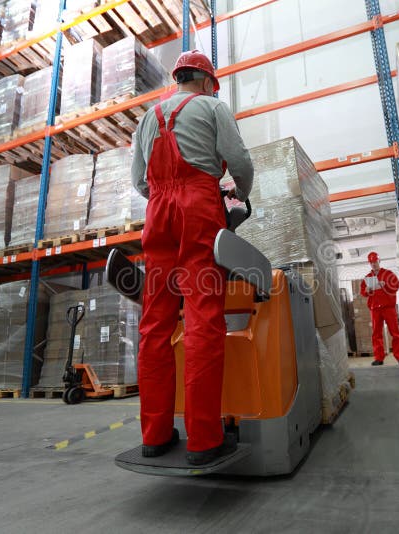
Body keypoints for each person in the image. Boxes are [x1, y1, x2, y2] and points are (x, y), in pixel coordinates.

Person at [131, 50, 254, 465]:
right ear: (205, 82)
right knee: (202, 317)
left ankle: (155, 435)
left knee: (155, 323)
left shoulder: (148, 119)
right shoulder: (213, 107)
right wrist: (241, 192)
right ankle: (203, 439)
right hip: (198, 206)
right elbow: (239, 162)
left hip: (159, 214)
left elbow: (138, 181)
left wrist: (163, 197)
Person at [360, 252, 399, 366]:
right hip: (375, 309)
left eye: (375, 262)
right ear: (369, 264)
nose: (374, 264)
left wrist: (385, 284)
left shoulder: (388, 274)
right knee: (376, 334)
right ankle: (379, 358)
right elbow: (363, 292)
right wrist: (366, 290)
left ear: (379, 261)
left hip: (388, 308)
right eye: (371, 263)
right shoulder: (368, 278)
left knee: (395, 332)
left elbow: (396, 286)